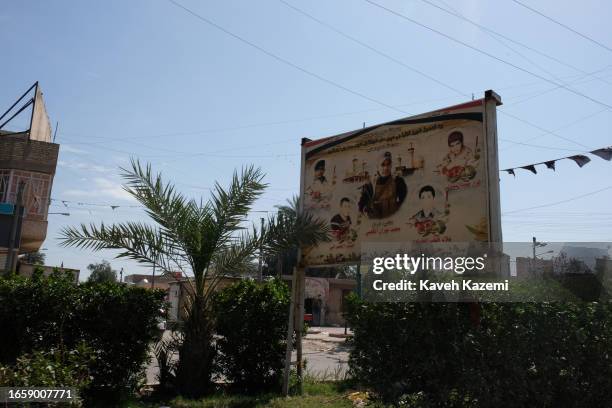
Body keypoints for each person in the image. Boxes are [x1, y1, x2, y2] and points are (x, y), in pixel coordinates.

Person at [358, 151, 407, 219]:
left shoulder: (398, 181)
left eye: (388, 164)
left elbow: (404, 202)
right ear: (377, 166)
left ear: (391, 165)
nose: (386, 168)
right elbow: (361, 207)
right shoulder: (370, 185)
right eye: (383, 165)